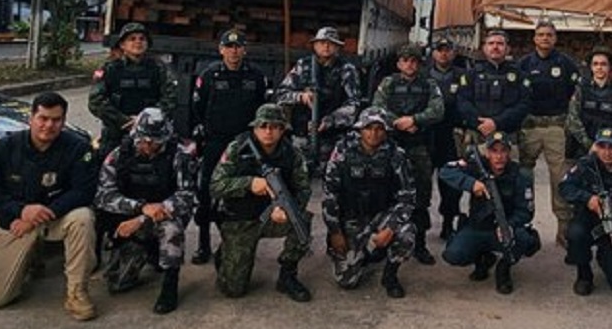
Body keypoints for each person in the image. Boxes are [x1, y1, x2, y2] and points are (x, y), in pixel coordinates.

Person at [0, 91, 99, 320]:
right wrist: (19, 211)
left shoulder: (78, 148)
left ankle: (77, 292)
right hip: (15, 221)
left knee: (83, 218)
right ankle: (28, 260)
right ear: (31, 118)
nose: (49, 125)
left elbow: (84, 191)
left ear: (63, 121)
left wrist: (44, 213)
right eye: (43, 118)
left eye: (56, 120)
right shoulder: (3, 149)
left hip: (55, 217)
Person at [93, 107, 197, 314]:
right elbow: (103, 196)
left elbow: (187, 196)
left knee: (171, 229)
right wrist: (140, 208)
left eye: (155, 141)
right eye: (144, 140)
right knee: (117, 284)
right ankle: (148, 251)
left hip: (162, 216)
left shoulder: (180, 156)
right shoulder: (118, 156)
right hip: (128, 220)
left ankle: (170, 283)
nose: (148, 145)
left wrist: (144, 218)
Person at [209, 103, 314, 302]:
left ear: (283, 130)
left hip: (272, 217)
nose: (268, 131)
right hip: (239, 219)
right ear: (255, 128)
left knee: (302, 223)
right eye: (263, 126)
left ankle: (287, 275)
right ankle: (226, 251)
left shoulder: (292, 154)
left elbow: (304, 190)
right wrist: (248, 183)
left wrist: (285, 209)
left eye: (274, 126)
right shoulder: (237, 149)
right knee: (233, 290)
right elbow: (215, 186)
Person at [189, 28, 271, 264]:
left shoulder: (256, 76)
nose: (233, 51)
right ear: (221, 49)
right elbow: (198, 108)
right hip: (216, 142)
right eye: (229, 46)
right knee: (205, 191)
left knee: (244, 193)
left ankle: (236, 243)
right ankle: (203, 243)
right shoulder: (210, 75)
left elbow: (262, 109)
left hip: (246, 144)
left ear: (244, 50)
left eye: (238, 47)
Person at [322, 107, 417, 298]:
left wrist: (390, 228)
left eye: (379, 128)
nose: (373, 133)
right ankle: (363, 252)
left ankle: (390, 275)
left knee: (407, 234)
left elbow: (407, 196)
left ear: (386, 131)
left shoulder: (396, 153)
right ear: (359, 130)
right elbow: (330, 193)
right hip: (351, 218)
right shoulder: (343, 150)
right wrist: (335, 232)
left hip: (381, 215)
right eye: (368, 128)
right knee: (347, 281)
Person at [439, 131, 541, 294]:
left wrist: (508, 225)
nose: (499, 156)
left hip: (504, 227)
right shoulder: (476, 166)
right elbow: (445, 171)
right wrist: (471, 184)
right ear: (487, 153)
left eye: (503, 151)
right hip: (478, 227)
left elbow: (525, 212)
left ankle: (504, 268)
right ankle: (483, 260)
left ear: (509, 153)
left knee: (525, 240)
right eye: (494, 151)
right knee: (453, 255)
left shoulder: (520, 175)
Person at [371, 44, 445, 264]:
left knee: (421, 196)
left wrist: (415, 120)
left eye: (413, 60)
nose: (409, 64)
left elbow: (438, 110)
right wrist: (398, 122)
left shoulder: (429, 84)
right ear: (398, 63)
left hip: (419, 147)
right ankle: (384, 244)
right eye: (405, 60)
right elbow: (377, 108)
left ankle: (419, 244)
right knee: (387, 193)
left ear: (419, 64)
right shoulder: (388, 83)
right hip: (391, 146)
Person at [558, 127, 612, 296]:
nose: (607, 152)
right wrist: (587, 198)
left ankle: (606, 256)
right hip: (590, 222)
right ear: (596, 147)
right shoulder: (585, 165)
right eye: (602, 147)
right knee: (575, 234)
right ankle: (584, 274)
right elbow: (564, 187)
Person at [516, 21, 580, 241]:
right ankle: (521, 226)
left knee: (561, 179)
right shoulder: (523, 64)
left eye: (549, 35)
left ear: (555, 38)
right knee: (522, 177)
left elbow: (577, 95)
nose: (545, 38)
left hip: (556, 128)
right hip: (529, 128)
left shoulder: (566, 64)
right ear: (534, 38)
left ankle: (564, 232)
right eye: (541, 34)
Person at [274, 25, 363, 175]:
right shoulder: (303, 65)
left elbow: (354, 104)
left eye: (331, 43)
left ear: (337, 47)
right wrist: (300, 97)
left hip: (331, 138)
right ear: (315, 45)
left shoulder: (347, 69)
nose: (326, 46)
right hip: (301, 136)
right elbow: (281, 95)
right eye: (322, 42)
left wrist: (331, 120)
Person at [89, 22, 177, 155]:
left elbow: (171, 98)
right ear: (122, 44)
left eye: (142, 38)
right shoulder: (109, 68)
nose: (138, 42)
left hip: (150, 136)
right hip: (116, 133)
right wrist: (124, 121)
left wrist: (144, 120)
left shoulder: (159, 69)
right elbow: (95, 101)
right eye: (132, 39)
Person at [455, 29, 531, 151]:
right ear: (484, 48)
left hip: (507, 138)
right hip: (477, 137)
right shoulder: (471, 75)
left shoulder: (519, 76)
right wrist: (481, 124)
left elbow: (523, 105)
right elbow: (462, 102)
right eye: (491, 43)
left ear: (507, 49)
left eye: (500, 44)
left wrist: (496, 123)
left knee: (511, 170)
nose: (495, 47)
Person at [427, 37, 469, 241]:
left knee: (452, 183)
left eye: (447, 50)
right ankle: (418, 230)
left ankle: (448, 224)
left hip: (452, 136)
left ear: (454, 53)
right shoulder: (422, 75)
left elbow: (469, 104)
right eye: (439, 49)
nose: (443, 53)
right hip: (427, 136)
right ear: (433, 53)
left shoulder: (464, 76)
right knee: (421, 183)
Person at [565, 46, 612, 161]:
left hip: (610, 150)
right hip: (583, 148)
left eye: (603, 64)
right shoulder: (580, 89)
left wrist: (608, 146)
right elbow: (573, 118)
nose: (599, 67)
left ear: (609, 67)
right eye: (595, 64)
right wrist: (589, 145)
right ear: (591, 67)